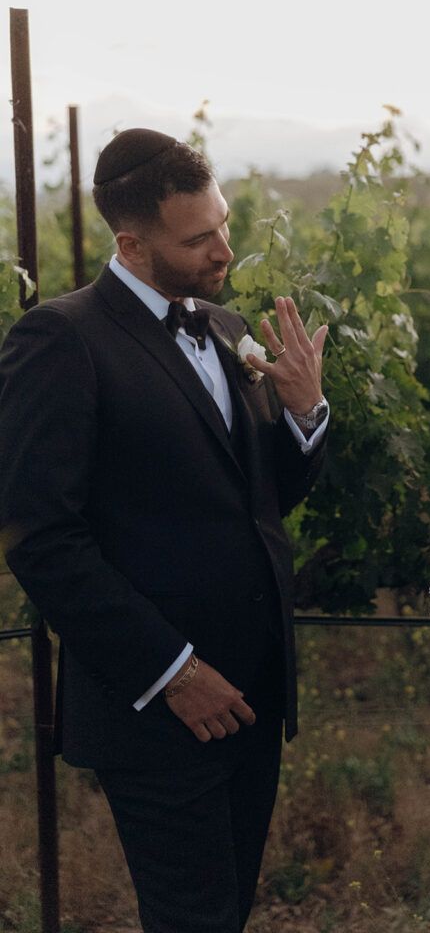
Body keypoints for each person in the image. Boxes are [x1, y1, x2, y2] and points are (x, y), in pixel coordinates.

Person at [0, 128, 330, 933]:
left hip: (252, 691)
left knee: (228, 911)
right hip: (157, 706)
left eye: (222, 223)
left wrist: (305, 415)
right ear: (131, 243)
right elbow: (42, 539)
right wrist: (174, 672)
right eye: (200, 237)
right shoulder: (61, 339)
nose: (225, 248)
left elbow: (257, 503)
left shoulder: (224, 326)